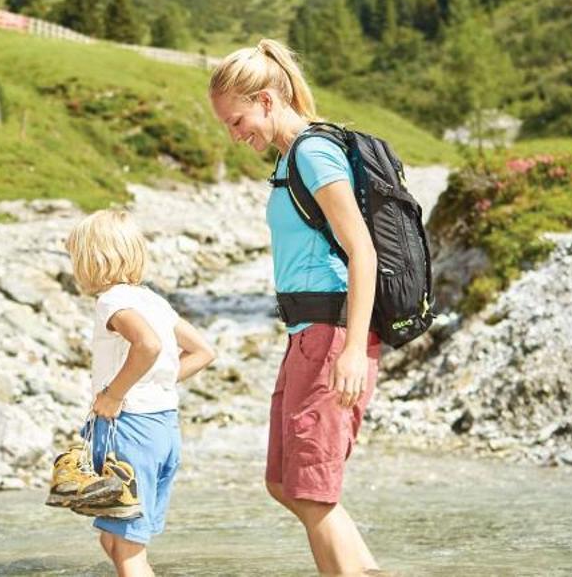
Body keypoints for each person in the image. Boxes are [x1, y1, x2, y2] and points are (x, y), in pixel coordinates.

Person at [208, 41, 382, 577]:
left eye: (237, 121)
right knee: (285, 483)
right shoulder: (290, 158)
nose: (236, 136)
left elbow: (363, 251)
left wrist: (353, 350)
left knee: (310, 491)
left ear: (264, 100)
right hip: (305, 336)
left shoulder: (313, 153)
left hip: (332, 337)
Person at [63, 209, 216, 577]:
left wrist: (115, 394)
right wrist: (156, 382)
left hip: (128, 431)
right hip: (162, 430)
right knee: (115, 539)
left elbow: (146, 345)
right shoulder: (153, 301)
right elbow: (203, 351)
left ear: (91, 260)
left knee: (129, 551)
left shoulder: (112, 301)